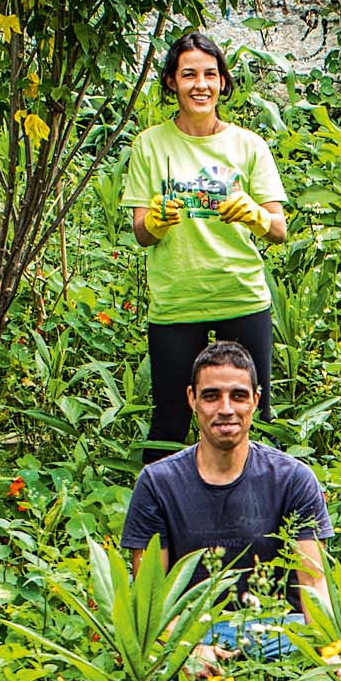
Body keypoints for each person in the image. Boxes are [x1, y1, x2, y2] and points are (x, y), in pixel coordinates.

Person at [125, 28, 288, 460]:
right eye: (189, 74)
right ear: (171, 83)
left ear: (222, 82)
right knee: (170, 423)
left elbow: (278, 228)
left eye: (211, 74)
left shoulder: (248, 145)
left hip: (241, 295)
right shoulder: (150, 145)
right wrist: (156, 223)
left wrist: (254, 214)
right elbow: (141, 232)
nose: (201, 85)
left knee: (255, 415)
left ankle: (260, 515)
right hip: (177, 300)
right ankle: (158, 515)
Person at [122, 338, 332, 662]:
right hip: (192, 630)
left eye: (238, 395)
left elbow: (315, 585)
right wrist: (186, 653)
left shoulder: (292, 479)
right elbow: (150, 599)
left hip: (278, 631)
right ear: (192, 399)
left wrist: (331, 657)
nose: (225, 409)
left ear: (256, 400)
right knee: (138, 651)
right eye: (211, 396)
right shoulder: (157, 483)